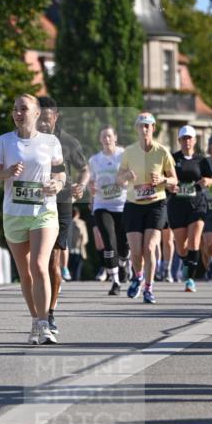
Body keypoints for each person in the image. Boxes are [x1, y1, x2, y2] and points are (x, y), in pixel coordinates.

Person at [0, 94, 65, 345]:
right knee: (26, 275)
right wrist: (7, 173)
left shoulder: (51, 142)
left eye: (24, 108)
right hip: (14, 213)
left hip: (44, 211)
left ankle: (45, 324)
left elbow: (60, 172)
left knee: (39, 265)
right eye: (15, 109)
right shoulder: (4, 141)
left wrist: (57, 184)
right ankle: (35, 320)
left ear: (37, 113)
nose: (18, 113)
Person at [36, 97, 88, 334]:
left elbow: (84, 169)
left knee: (53, 261)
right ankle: (40, 309)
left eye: (47, 120)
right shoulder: (27, 139)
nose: (44, 125)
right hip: (33, 205)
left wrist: (81, 186)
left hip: (61, 204)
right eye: (40, 119)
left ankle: (50, 312)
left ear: (56, 116)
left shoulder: (68, 141)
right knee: (36, 263)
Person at [117, 113, 177, 304]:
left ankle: (149, 288)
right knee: (135, 251)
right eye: (140, 126)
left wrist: (163, 180)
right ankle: (138, 275)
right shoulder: (129, 152)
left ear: (153, 128)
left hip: (156, 204)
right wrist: (126, 176)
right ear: (137, 129)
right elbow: (118, 179)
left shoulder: (162, 152)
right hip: (133, 204)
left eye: (147, 126)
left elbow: (175, 180)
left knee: (149, 248)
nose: (144, 130)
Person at [167, 125, 212, 292]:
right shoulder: (172, 159)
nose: (187, 141)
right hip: (177, 206)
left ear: (194, 140)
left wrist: (207, 182)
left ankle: (190, 279)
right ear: (179, 140)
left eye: (190, 138)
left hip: (197, 204)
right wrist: (170, 186)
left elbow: (209, 178)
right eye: (184, 138)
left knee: (194, 241)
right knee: (181, 247)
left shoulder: (201, 160)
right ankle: (188, 264)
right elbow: (166, 180)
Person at [88, 126, 129, 296]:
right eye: (103, 136)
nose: (106, 139)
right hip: (102, 205)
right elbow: (90, 181)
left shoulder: (124, 155)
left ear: (115, 138)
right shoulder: (95, 160)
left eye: (109, 136)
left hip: (123, 204)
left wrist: (125, 180)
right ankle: (115, 282)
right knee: (109, 243)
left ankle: (124, 263)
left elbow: (131, 175)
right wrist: (91, 187)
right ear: (100, 140)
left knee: (124, 245)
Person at [200, 134, 212, 282]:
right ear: (210, 148)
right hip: (207, 208)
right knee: (209, 242)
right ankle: (211, 262)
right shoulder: (204, 163)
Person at [68, 206, 89, 281]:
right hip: (78, 250)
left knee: (68, 269)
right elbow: (85, 238)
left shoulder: (66, 222)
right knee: (76, 270)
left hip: (68, 250)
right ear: (78, 214)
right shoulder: (81, 223)